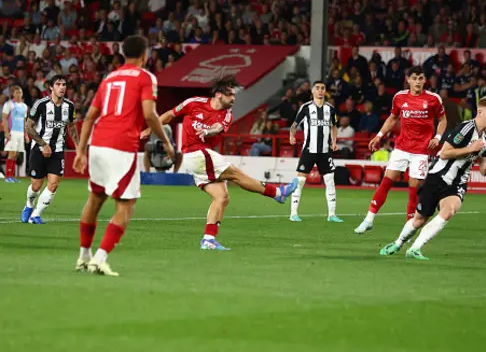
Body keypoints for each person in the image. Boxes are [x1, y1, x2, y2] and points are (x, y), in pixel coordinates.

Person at [142, 73, 299, 250]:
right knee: (236, 174)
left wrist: (209, 132)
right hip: (196, 154)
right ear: (219, 95)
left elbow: (218, 128)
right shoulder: (194, 103)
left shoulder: (226, 115)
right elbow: (170, 114)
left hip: (200, 158)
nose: (233, 98)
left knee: (222, 197)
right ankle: (277, 192)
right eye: (230, 95)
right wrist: (150, 129)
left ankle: (208, 240)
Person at [72, 35, 175, 276]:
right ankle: (100, 258)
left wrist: (80, 150)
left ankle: (83, 256)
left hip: (98, 142)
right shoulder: (146, 77)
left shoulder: (109, 78)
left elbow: (89, 116)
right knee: (126, 205)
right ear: (145, 55)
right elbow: (149, 114)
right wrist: (167, 142)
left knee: (95, 199)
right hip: (121, 145)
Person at [379, 97, 486, 260]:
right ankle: (398, 242)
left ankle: (415, 248)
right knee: (419, 220)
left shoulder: (485, 142)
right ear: (480, 112)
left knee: (449, 210)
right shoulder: (465, 129)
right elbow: (444, 152)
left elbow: (483, 170)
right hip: (437, 176)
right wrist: (470, 148)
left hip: (457, 183)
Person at [354, 66, 447, 234]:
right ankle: (368, 219)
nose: (418, 81)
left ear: (425, 80)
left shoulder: (433, 99)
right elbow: (392, 118)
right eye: (415, 78)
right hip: (402, 147)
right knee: (386, 182)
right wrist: (379, 136)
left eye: (421, 78)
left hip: (421, 151)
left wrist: (437, 138)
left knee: (413, 190)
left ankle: (408, 231)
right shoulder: (399, 97)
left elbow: (443, 120)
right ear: (408, 79)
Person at [21, 75, 79, 224]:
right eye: (58, 84)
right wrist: (43, 144)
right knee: (36, 185)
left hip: (58, 150)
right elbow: (29, 127)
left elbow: (71, 128)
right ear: (51, 87)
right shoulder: (40, 104)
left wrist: (78, 147)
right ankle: (29, 205)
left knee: (53, 183)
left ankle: (36, 215)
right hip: (39, 149)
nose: (62, 87)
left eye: (64, 84)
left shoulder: (70, 106)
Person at [288, 81, 342, 222]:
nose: (320, 90)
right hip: (309, 150)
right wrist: (291, 136)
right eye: (317, 88)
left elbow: (334, 126)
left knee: (330, 181)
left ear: (325, 91)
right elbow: (294, 125)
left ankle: (332, 215)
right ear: (312, 91)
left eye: (322, 88)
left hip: (325, 151)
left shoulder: (330, 109)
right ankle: (293, 213)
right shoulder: (305, 108)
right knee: (300, 181)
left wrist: (334, 141)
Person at [2, 85, 28, 182]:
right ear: (13, 94)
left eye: (19, 92)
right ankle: (8, 176)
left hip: (20, 133)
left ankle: (12, 176)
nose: (18, 94)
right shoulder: (9, 104)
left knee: (16, 154)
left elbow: (24, 121)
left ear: (22, 94)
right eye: (16, 93)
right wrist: (6, 132)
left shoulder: (24, 106)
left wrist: (26, 134)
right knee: (11, 153)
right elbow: (4, 118)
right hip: (12, 132)